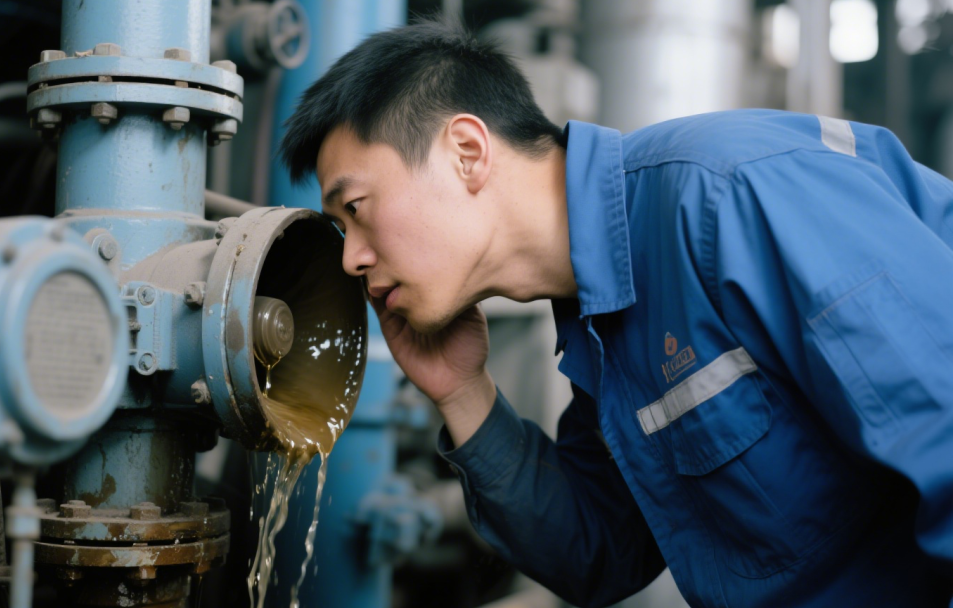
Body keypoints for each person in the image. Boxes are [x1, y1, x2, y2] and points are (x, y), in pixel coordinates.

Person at [279, 20, 953, 608]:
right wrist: (463, 393)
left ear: (467, 152)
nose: (351, 259)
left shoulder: (729, 194)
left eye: (356, 209)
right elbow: (602, 554)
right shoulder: (598, 326)